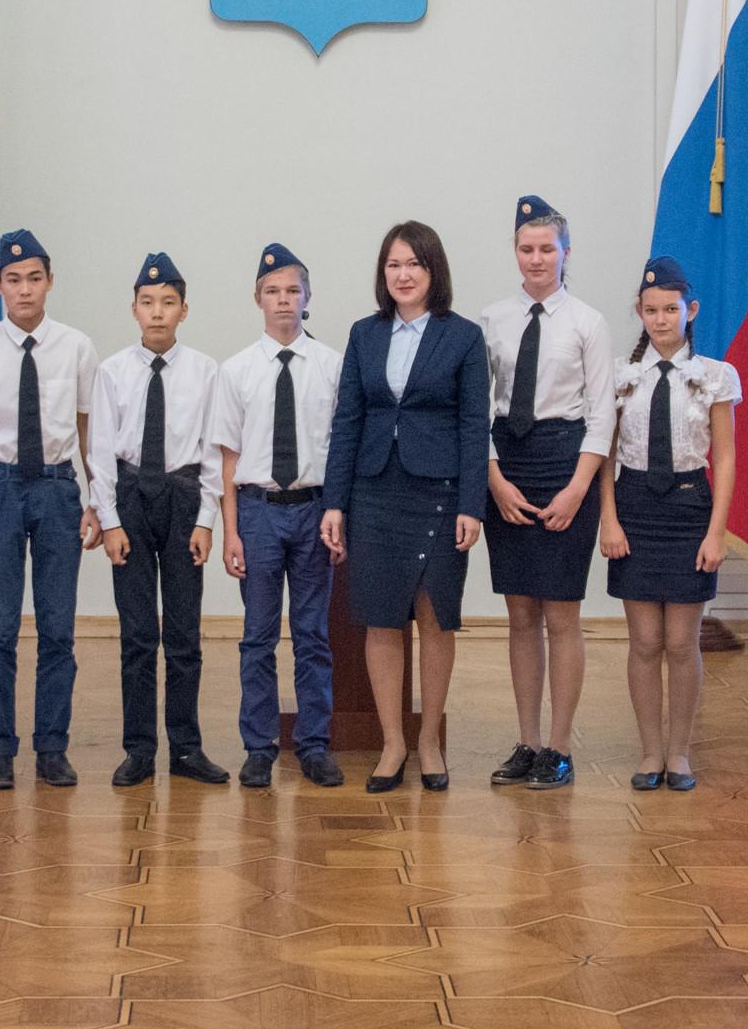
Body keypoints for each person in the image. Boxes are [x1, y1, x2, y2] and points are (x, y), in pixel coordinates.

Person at [320, 221, 488, 793]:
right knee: (381, 617)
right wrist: (334, 503)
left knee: (434, 615)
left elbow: (474, 426)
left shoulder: (462, 336)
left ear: (432, 270)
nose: (403, 274)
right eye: (393, 264)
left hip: (440, 496)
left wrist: (473, 504)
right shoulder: (364, 335)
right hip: (373, 492)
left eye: (414, 263)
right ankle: (393, 743)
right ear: (382, 272)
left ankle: (429, 740)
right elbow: (346, 422)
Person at [0, 229, 100, 791]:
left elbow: (90, 430)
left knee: (59, 627)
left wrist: (96, 501)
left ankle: (52, 747)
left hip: (59, 490)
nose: (24, 290)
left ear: (50, 282)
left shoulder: (77, 347)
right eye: (13, 280)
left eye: (34, 278)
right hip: (0, 490)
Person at [481, 197, 615, 791]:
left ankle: (559, 747)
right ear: (515, 251)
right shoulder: (492, 320)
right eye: (526, 248)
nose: (536, 259)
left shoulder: (588, 321)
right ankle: (527, 741)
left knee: (561, 614)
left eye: (547, 249)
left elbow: (603, 414)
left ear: (566, 253)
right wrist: (494, 480)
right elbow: (477, 409)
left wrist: (577, 489)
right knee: (519, 615)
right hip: (508, 465)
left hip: (566, 466)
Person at [91, 253, 228, 789]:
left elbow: (214, 453)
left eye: (168, 303)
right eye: (148, 303)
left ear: (184, 310)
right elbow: (100, 452)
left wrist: (206, 520)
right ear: (133, 309)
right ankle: (140, 749)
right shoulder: (112, 372)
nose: (157, 313)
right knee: (137, 632)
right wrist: (109, 521)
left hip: (182, 497)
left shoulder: (205, 372)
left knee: (185, 633)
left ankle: (187, 747)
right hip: (130, 499)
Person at [599, 256, 736, 792]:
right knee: (644, 641)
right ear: (639, 311)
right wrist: (608, 520)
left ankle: (679, 751)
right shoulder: (620, 376)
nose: (661, 319)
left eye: (671, 309)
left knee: (682, 642)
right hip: (633, 507)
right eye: (651, 310)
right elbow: (605, 456)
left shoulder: (713, 376)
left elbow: (723, 458)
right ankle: (649, 751)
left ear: (690, 309)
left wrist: (716, 531)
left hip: (688, 508)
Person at [213, 243, 345, 790]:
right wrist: (231, 532)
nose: (283, 301)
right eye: (273, 291)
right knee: (258, 635)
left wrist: (340, 516)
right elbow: (226, 458)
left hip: (314, 510)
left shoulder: (334, 366)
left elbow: (342, 448)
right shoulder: (236, 370)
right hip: (259, 512)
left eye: (293, 291)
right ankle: (259, 744)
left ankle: (313, 743)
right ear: (257, 299)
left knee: (313, 634)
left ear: (308, 297)